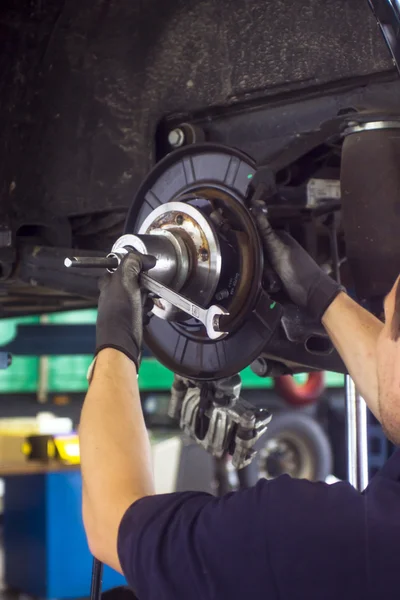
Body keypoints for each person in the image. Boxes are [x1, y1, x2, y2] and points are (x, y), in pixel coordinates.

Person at [79, 216, 400, 600]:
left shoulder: (316, 540)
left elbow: (110, 519)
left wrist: (116, 339)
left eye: (386, 326)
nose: (379, 338)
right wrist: (322, 295)